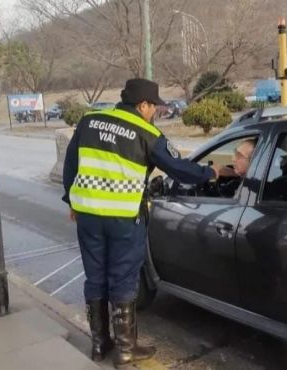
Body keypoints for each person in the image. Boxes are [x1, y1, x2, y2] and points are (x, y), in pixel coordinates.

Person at [62, 78, 221, 368]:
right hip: (123, 217)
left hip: (87, 215)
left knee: (95, 277)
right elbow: (180, 168)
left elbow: (71, 164)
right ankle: (125, 350)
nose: (155, 113)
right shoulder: (147, 133)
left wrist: (71, 201)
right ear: (142, 105)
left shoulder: (90, 120)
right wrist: (210, 174)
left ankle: (99, 345)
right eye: (154, 107)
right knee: (122, 278)